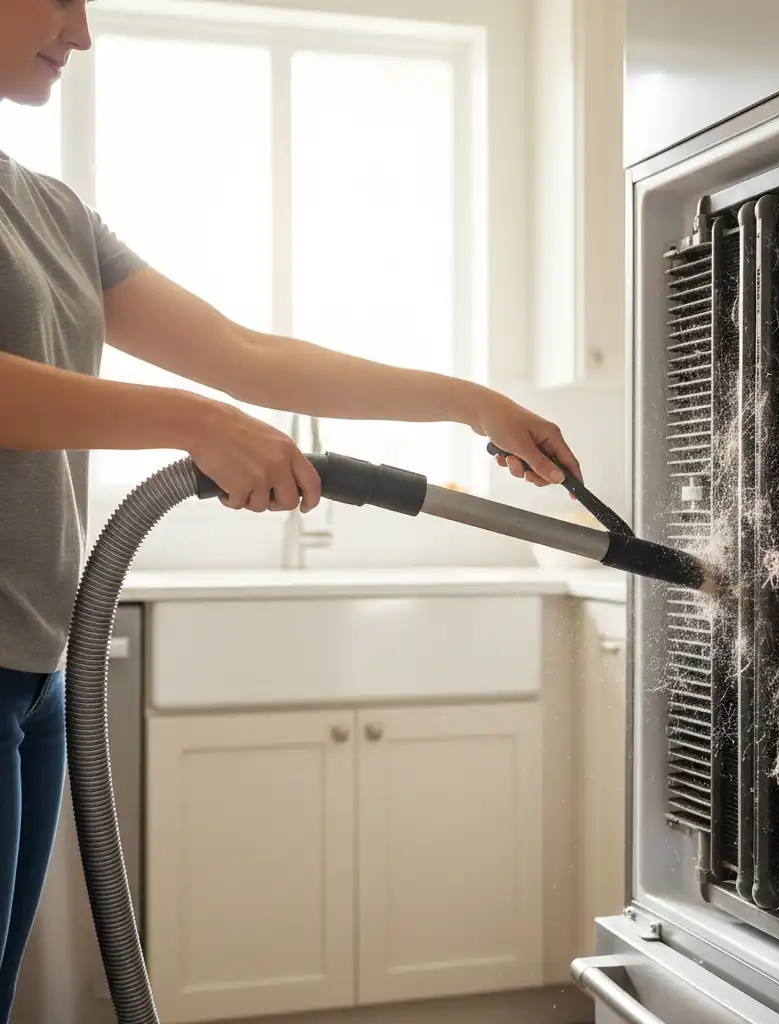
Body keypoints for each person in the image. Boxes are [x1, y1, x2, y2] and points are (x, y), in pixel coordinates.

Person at [0, 1, 584, 1017]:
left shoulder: (54, 215)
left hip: (33, 668)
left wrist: (469, 400)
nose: (81, 31)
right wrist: (189, 420)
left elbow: (250, 356)